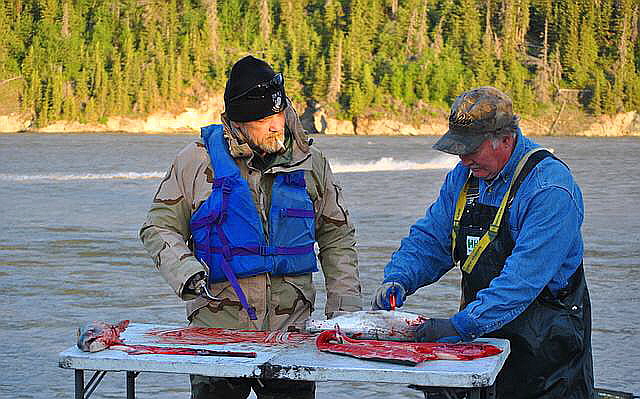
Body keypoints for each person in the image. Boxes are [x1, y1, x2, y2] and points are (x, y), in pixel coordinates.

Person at [140, 55, 362, 399]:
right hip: (217, 330)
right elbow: (158, 227)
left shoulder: (310, 162)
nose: (276, 125)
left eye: (280, 113)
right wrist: (184, 271)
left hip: (292, 333)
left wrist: (345, 309)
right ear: (238, 123)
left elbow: (337, 236)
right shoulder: (195, 161)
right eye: (263, 119)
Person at [371, 87, 593, 398]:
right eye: (458, 149)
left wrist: (460, 326)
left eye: (472, 149)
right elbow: (432, 239)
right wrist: (398, 278)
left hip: (548, 346)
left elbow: (522, 280)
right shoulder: (463, 178)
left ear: (506, 139)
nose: (463, 159)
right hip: (485, 331)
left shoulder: (549, 189)